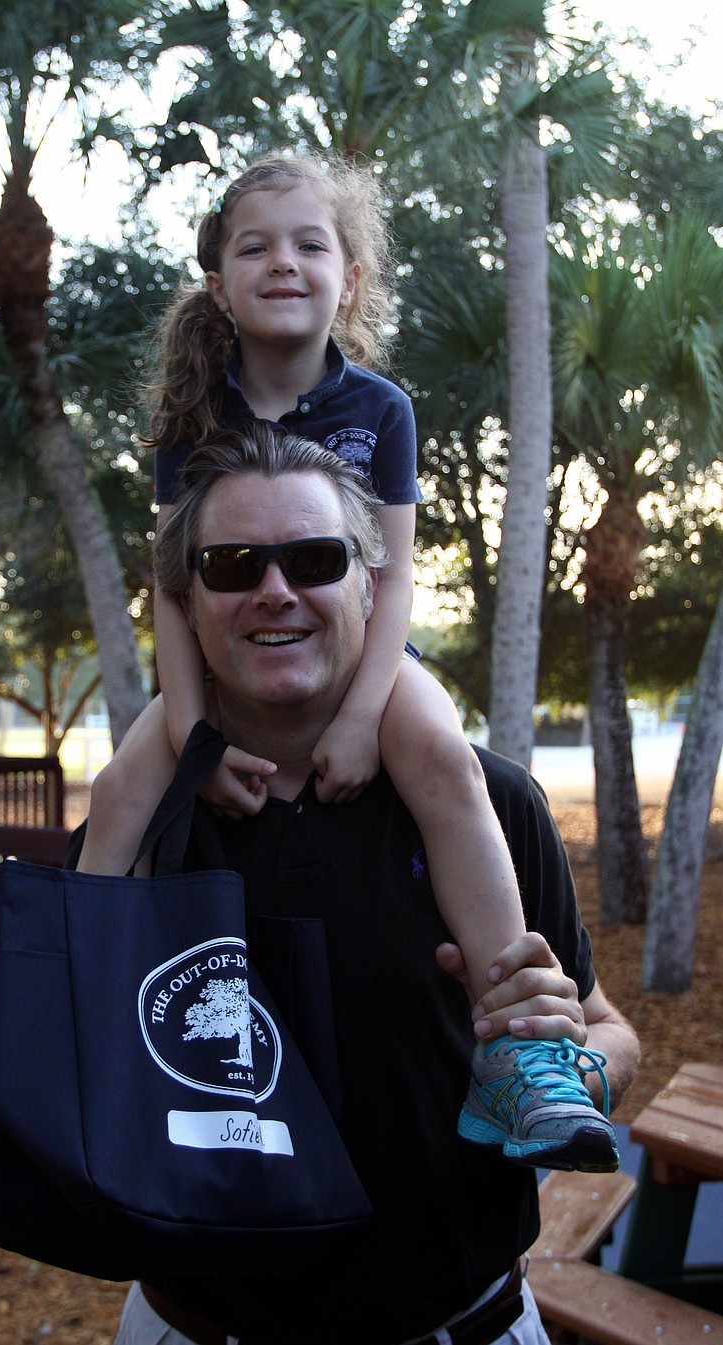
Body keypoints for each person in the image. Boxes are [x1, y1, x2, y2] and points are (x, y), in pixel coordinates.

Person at [0, 151, 615, 1196]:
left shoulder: (377, 407)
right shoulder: (194, 417)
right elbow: (170, 590)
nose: (282, 262)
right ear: (217, 283)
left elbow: (390, 577)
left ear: (352, 279)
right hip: (206, 678)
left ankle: (516, 1043)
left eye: (309, 243)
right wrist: (198, 742)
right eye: (254, 245)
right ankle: (32, 1073)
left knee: (447, 762)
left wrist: (365, 712)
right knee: (118, 792)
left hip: (377, 659)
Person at [113, 424, 639, 1345]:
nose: (275, 589)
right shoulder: (145, 825)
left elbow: (607, 1028)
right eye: (233, 564)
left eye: (315, 557)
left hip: (465, 1323)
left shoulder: (486, 801)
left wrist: (573, 1060)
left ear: (370, 582)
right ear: (187, 603)